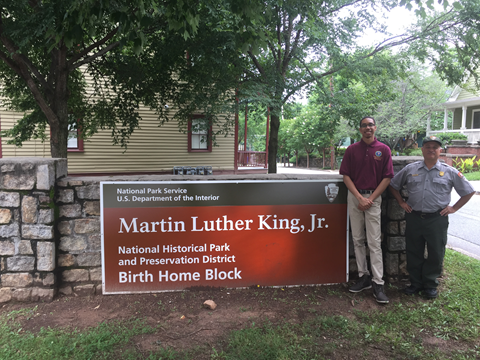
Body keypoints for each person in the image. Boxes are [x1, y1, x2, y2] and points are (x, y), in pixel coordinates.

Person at [389, 135, 475, 299]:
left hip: (437, 219)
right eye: (427, 146)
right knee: (414, 251)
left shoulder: (449, 172)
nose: (431, 149)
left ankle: (430, 284)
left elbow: (469, 191)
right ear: (422, 149)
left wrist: (454, 208)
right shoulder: (410, 169)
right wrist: (401, 202)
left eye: (435, 147)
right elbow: (393, 185)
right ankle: (415, 283)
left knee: (436, 252)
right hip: (414, 217)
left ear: (440, 151)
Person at [340, 116, 394, 304]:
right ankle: (363, 276)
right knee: (357, 239)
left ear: (375, 128)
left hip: (373, 198)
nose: (367, 128)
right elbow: (346, 176)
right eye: (364, 125)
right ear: (360, 129)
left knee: (374, 241)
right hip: (355, 197)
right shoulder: (352, 150)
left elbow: (387, 178)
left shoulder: (383, 150)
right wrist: (359, 198)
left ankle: (378, 282)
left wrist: (369, 199)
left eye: (370, 125)